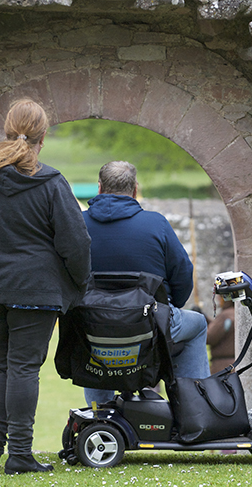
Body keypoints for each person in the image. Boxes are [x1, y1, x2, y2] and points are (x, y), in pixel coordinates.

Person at [0, 99, 91, 474]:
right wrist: (79, 282)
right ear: (43, 136)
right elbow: (75, 243)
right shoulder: (51, 182)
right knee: (23, 367)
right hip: (35, 289)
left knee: (3, 365)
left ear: (7, 128)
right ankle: (20, 454)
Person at [82, 161, 210, 406]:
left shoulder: (79, 225)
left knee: (90, 334)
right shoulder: (156, 224)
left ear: (99, 188)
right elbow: (182, 272)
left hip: (93, 326)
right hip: (150, 324)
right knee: (198, 324)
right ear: (135, 190)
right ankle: (193, 407)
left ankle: (99, 413)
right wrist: (171, 305)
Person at [207, 297, 235, 374]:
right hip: (235, 364)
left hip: (222, 367)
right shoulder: (237, 314)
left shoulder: (225, 315)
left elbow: (210, 337)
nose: (218, 299)